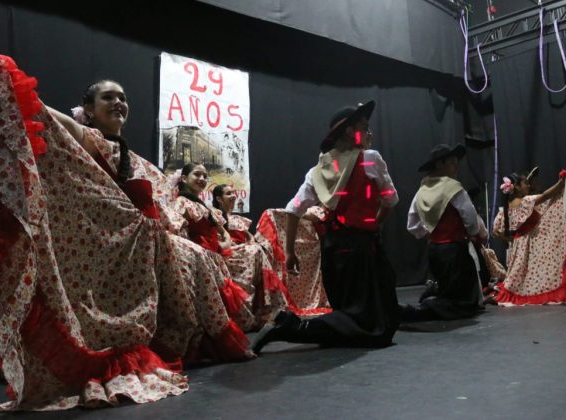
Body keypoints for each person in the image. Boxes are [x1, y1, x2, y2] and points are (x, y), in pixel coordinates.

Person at [0, 48, 251, 411]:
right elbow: (57, 123)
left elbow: (163, 205)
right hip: (107, 243)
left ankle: (188, 340)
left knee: (201, 259)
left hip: (143, 243)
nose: (118, 103)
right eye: (108, 97)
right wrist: (21, 94)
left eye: (123, 98)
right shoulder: (89, 142)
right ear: (90, 109)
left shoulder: (133, 158)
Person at [252, 100, 400, 353]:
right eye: (364, 128)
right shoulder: (369, 159)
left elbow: (292, 209)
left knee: (354, 312)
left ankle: (299, 326)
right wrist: (376, 224)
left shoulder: (317, 171)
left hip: (332, 248)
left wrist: (290, 253)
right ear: (348, 131)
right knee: (373, 327)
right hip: (361, 248)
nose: (368, 134)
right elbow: (390, 199)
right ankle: (288, 325)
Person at [171, 165, 287, 330]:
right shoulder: (181, 202)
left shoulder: (204, 207)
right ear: (183, 179)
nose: (202, 179)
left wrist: (223, 244)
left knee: (255, 250)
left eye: (205, 176)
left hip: (215, 251)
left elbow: (223, 232)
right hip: (201, 254)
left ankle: (266, 312)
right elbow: (177, 230)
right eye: (197, 175)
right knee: (253, 252)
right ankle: (260, 313)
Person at [403, 144, 486, 320]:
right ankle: (427, 309)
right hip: (455, 249)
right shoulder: (453, 188)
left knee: (446, 288)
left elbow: (412, 223)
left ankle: (431, 304)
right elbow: (470, 218)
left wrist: (429, 234)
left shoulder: (422, 190)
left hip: (434, 250)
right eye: (453, 162)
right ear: (440, 164)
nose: (456, 166)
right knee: (460, 299)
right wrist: (471, 233)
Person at [491, 170, 566, 306]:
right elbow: (545, 195)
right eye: (525, 183)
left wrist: (511, 240)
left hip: (519, 246)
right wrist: (561, 183)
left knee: (521, 274)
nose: (528, 186)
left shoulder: (507, 209)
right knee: (532, 272)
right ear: (517, 187)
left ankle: (520, 291)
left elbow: (496, 231)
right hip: (531, 244)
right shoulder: (525, 201)